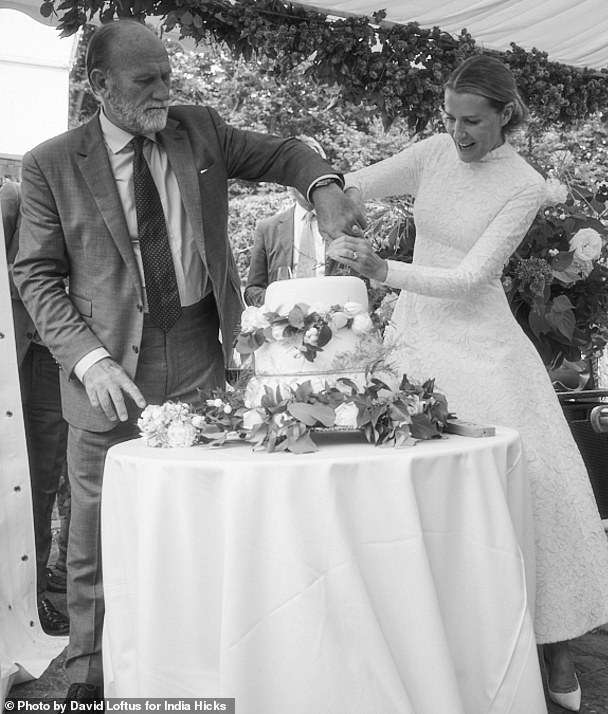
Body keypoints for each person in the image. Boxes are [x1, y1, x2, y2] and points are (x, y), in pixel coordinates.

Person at [12, 19, 365, 702]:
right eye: (147, 80)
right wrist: (87, 361)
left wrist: (323, 189)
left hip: (202, 357)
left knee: (201, 517)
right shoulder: (50, 164)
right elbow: (36, 278)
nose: (164, 92)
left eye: (168, 75)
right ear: (99, 84)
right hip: (108, 373)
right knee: (97, 532)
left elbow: (288, 152)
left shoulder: (197, 129)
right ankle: (87, 676)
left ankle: (195, 666)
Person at [327, 54, 608, 713]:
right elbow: (355, 183)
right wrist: (334, 198)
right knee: (415, 491)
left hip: (486, 348)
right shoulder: (435, 151)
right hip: (414, 341)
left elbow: (470, 278)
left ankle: (554, 640)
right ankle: (433, 641)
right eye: (450, 118)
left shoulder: (521, 184)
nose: (458, 133)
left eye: (472, 122)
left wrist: (384, 267)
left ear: (505, 116)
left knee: (531, 483)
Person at [1, 180, 70, 636]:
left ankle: (31, 595)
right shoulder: (10, 202)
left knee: (40, 479)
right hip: (13, 358)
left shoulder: (15, 196)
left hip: (48, 356)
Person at [244, 135, 330, 306]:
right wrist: (280, 305)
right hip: (285, 326)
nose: (304, 179)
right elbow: (252, 290)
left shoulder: (344, 223)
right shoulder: (268, 229)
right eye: (295, 170)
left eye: (311, 170)